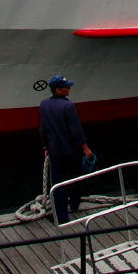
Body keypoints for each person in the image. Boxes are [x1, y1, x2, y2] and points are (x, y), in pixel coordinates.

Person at [39, 76, 94, 224]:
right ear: (58, 90)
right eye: (66, 87)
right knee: (75, 177)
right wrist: (86, 148)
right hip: (71, 150)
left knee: (58, 183)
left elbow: (43, 128)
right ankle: (75, 203)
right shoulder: (68, 106)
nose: (69, 88)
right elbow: (76, 130)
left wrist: (45, 146)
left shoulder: (44, 104)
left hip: (55, 150)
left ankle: (61, 216)